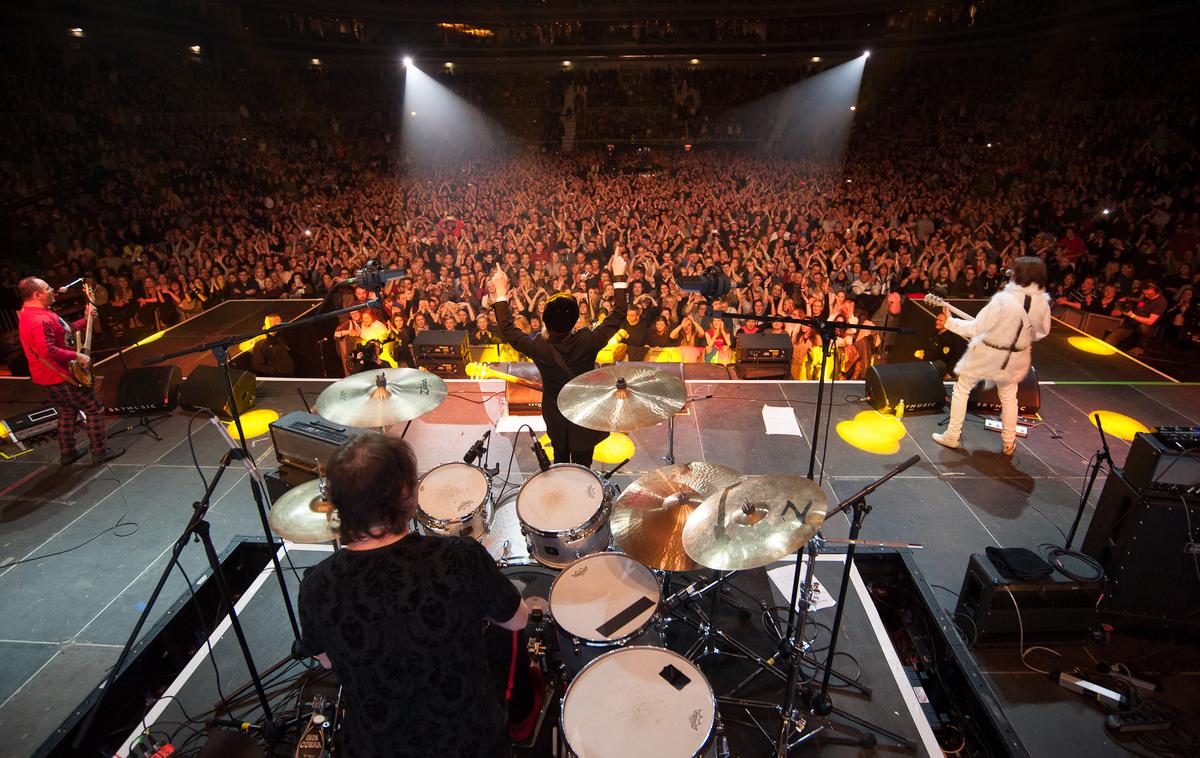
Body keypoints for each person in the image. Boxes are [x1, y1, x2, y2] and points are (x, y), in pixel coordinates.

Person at [299, 433, 535, 757]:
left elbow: (325, 658)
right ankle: (524, 718)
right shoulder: (458, 557)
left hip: (378, 745)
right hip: (468, 741)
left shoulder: (316, 585)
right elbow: (518, 619)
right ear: (405, 494)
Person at [491, 249, 627, 467]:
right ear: (575, 321)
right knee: (584, 467)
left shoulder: (539, 346)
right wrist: (619, 275)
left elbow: (507, 328)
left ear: (545, 320)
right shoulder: (587, 341)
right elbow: (619, 314)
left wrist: (500, 292)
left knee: (560, 462)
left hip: (556, 418)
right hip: (584, 419)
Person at [933, 257, 1051, 455]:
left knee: (962, 388)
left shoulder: (1004, 299)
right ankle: (1008, 443)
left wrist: (950, 322)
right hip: (1015, 356)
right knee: (1009, 398)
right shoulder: (1041, 302)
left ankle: (952, 436)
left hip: (989, 353)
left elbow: (975, 327)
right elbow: (1042, 332)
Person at [16, 277, 124, 465]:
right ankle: (99, 451)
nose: (52, 290)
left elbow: (64, 333)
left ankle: (68, 452)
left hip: (48, 377)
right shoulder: (38, 319)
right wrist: (78, 357)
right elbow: (47, 350)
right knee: (94, 408)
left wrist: (86, 319)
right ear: (36, 294)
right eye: (47, 288)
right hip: (62, 376)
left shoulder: (35, 313)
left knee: (67, 411)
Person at [1104, 280, 1166, 356]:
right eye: (1144, 293)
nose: (1146, 296)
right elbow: (1138, 302)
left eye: (1149, 294)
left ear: (1156, 291)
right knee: (1108, 342)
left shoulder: (1161, 302)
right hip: (1130, 324)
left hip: (1144, 328)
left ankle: (1139, 347)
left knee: (1143, 327)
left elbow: (1150, 321)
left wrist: (1132, 315)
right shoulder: (1143, 296)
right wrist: (1126, 300)